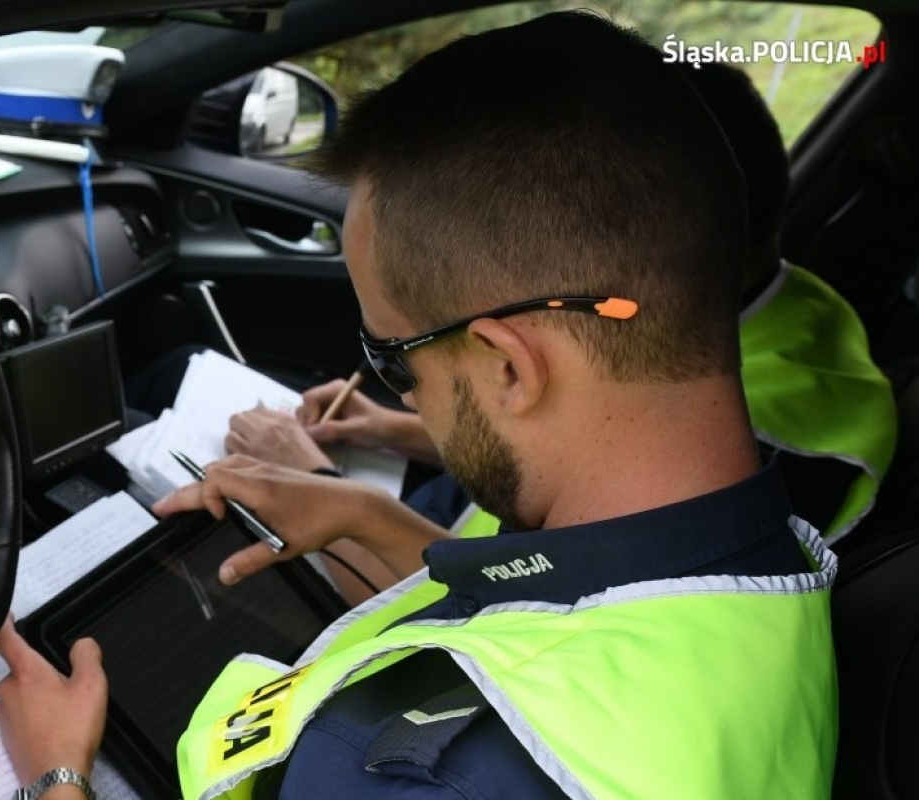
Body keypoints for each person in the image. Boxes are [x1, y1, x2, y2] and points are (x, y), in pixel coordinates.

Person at [0, 13, 836, 800]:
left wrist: (48, 781)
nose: (391, 387)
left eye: (392, 357)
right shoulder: (744, 547)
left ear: (512, 367)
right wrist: (364, 515)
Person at [228, 60, 897, 549]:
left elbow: (504, 607)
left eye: (394, 361)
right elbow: (554, 439)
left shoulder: (750, 446)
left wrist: (331, 495)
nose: (403, 391)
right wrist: (379, 428)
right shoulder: (792, 303)